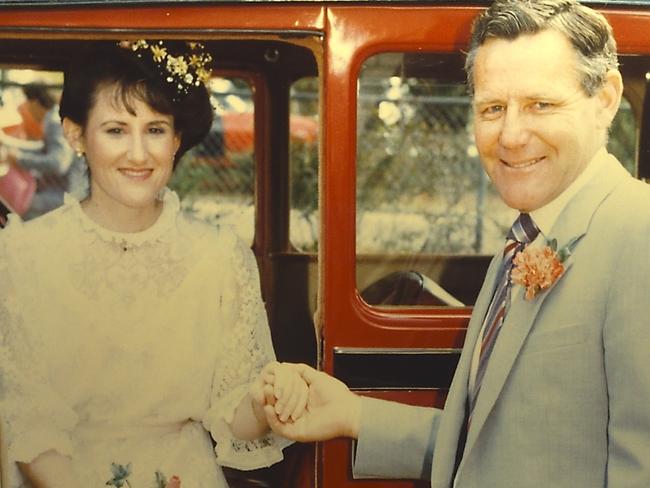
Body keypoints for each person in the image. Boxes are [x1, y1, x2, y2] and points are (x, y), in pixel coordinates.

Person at [265, 1, 650, 487]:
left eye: (541, 105)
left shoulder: (639, 235)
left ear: (606, 99)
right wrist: (352, 414)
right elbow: (496, 448)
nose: (510, 135)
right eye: (493, 108)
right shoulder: (523, 241)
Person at [0, 39, 307, 487]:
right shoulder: (25, 257)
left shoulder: (219, 256)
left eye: (156, 129)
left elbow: (234, 415)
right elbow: (28, 420)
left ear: (177, 137)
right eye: (116, 130)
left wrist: (266, 401)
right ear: (75, 134)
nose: (139, 154)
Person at [3, 83, 78, 219]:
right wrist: (8, 144)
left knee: (18, 208)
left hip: (63, 196)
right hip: (62, 192)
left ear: (35, 102)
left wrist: (19, 158)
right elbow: (41, 149)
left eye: (26, 104)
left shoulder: (55, 122)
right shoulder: (54, 117)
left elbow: (58, 163)